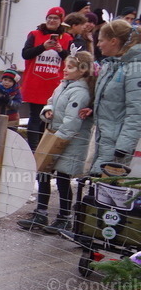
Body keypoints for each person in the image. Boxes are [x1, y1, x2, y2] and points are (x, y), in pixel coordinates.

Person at [16, 51, 96, 235]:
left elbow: (72, 123)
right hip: (55, 136)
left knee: (62, 178)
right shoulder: (63, 86)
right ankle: (41, 212)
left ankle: (64, 217)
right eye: (65, 66)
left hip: (69, 142)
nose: (64, 70)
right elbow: (50, 101)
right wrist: (48, 111)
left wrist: (57, 141)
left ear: (82, 71)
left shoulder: (81, 92)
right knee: (43, 172)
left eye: (69, 67)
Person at [90, 20, 141, 171]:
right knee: (96, 185)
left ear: (113, 41)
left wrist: (123, 147)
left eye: (100, 40)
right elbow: (112, 100)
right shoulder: (110, 65)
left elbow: (136, 111)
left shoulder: (135, 68)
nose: (98, 45)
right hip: (104, 140)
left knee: (107, 187)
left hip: (117, 147)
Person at [20, 6, 73, 151]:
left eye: (55, 18)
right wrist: (43, 46)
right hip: (35, 83)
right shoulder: (35, 34)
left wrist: (61, 51)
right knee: (35, 117)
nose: (51, 20)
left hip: (54, 85)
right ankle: (32, 148)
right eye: (49, 17)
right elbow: (26, 54)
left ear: (61, 21)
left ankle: (43, 148)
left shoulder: (67, 38)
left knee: (49, 118)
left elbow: (71, 60)